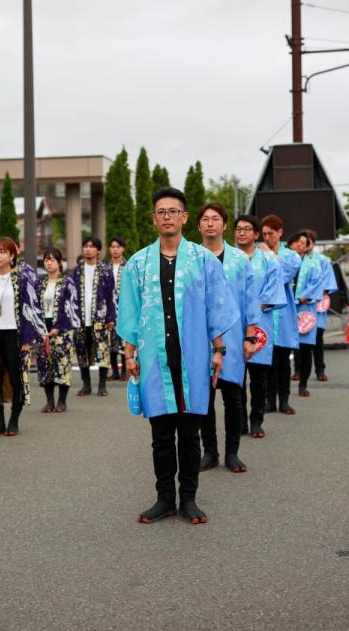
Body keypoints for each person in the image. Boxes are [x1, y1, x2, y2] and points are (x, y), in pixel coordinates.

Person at [119, 187, 237, 524]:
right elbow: (130, 310)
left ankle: (188, 499)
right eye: (161, 211)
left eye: (173, 211)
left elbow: (217, 309)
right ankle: (164, 499)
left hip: (194, 360)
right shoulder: (138, 263)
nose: (167, 217)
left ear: (185, 218)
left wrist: (219, 351)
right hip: (155, 360)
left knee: (188, 434)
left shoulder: (203, 261)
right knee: (160, 436)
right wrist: (129, 353)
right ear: (154, 218)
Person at [196, 203, 260, 473]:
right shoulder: (191, 257)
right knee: (204, 399)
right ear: (198, 225)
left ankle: (232, 452)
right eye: (205, 219)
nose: (210, 223)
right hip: (199, 339)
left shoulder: (238, 260)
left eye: (216, 219)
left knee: (233, 397)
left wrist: (250, 337)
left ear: (224, 225)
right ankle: (209, 451)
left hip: (233, 338)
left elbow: (250, 300)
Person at [0, 237, 47, 436]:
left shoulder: (22, 278)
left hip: (15, 335)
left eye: (3, 252)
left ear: (12, 255)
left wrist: (27, 339)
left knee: (16, 378)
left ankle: (14, 419)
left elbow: (31, 309)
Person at [234, 214, 286, 439]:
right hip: (233, 324)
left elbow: (273, 291)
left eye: (247, 229)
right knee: (236, 377)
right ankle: (240, 421)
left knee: (258, 375)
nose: (241, 232)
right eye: (238, 229)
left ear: (256, 235)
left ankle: (256, 420)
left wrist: (252, 309)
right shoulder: (229, 260)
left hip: (259, 324)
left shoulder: (268, 260)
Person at [260, 214, 300, 415]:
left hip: (283, 315)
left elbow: (280, 276)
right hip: (265, 314)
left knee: (283, 361)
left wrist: (269, 255)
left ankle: (284, 400)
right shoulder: (259, 255)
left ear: (280, 233)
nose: (267, 238)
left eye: (271, 233)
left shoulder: (291, 256)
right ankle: (269, 400)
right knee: (267, 361)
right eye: (264, 234)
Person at [68, 236, 116, 397]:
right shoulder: (76, 271)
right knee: (81, 350)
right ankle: (86, 384)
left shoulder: (105, 270)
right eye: (85, 246)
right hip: (80, 319)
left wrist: (111, 317)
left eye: (91, 246)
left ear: (98, 250)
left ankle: (102, 385)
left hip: (100, 318)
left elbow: (111, 295)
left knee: (102, 350)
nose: (88, 249)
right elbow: (70, 296)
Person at [37, 247, 80, 413]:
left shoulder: (67, 283)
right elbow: (33, 306)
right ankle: (49, 401)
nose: (49, 263)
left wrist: (59, 326)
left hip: (62, 329)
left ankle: (62, 401)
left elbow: (72, 308)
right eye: (46, 260)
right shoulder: (39, 282)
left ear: (59, 262)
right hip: (43, 327)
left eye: (52, 260)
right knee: (44, 364)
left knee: (62, 364)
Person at [291, 230, 324, 396]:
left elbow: (316, 286)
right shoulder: (285, 262)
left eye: (302, 242)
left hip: (305, 310)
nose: (299, 245)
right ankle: (291, 377)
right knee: (287, 349)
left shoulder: (313, 264)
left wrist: (302, 298)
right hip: (288, 310)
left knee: (305, 349)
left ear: (307, 246)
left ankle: (303, 384)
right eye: (296, 241)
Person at [306, 229, 339, 383]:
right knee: (300, 342)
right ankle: (299, 370)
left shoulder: (323, 260)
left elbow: (328, 284)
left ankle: (320, 370)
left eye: (308, 241)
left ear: (313, 243)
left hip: (316, 306)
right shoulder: (295, 259)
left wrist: (312, 294)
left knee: (317, 339)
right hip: (301, 307)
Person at [107, 236, 129, 381]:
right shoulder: (104, 267)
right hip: (109, 308)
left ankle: (124, 370)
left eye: (118, 246)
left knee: (124, 338)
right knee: (111, 341)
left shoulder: (128, 265)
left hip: (124, 307)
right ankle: (114, 370)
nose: (115, 249)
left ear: (122, 249)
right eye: (113, 247)